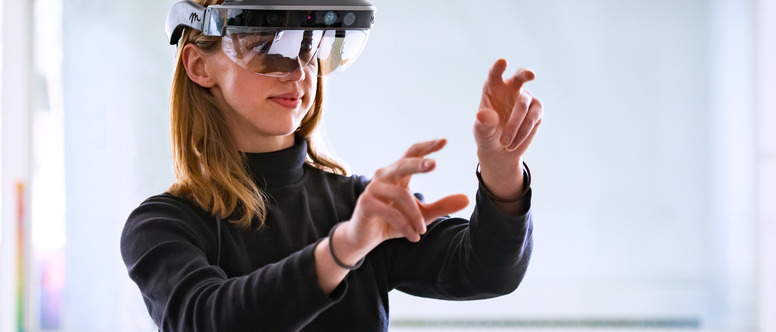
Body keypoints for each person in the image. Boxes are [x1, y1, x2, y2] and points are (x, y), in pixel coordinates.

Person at [120, 0, 543, 331]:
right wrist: (343, 250)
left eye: (309, 47)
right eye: (266, 47)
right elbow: (209, 322)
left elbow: (488, 272)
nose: (298, 71)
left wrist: (502, 172)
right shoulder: (163, 226)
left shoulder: (359, 205)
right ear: (199, 65)